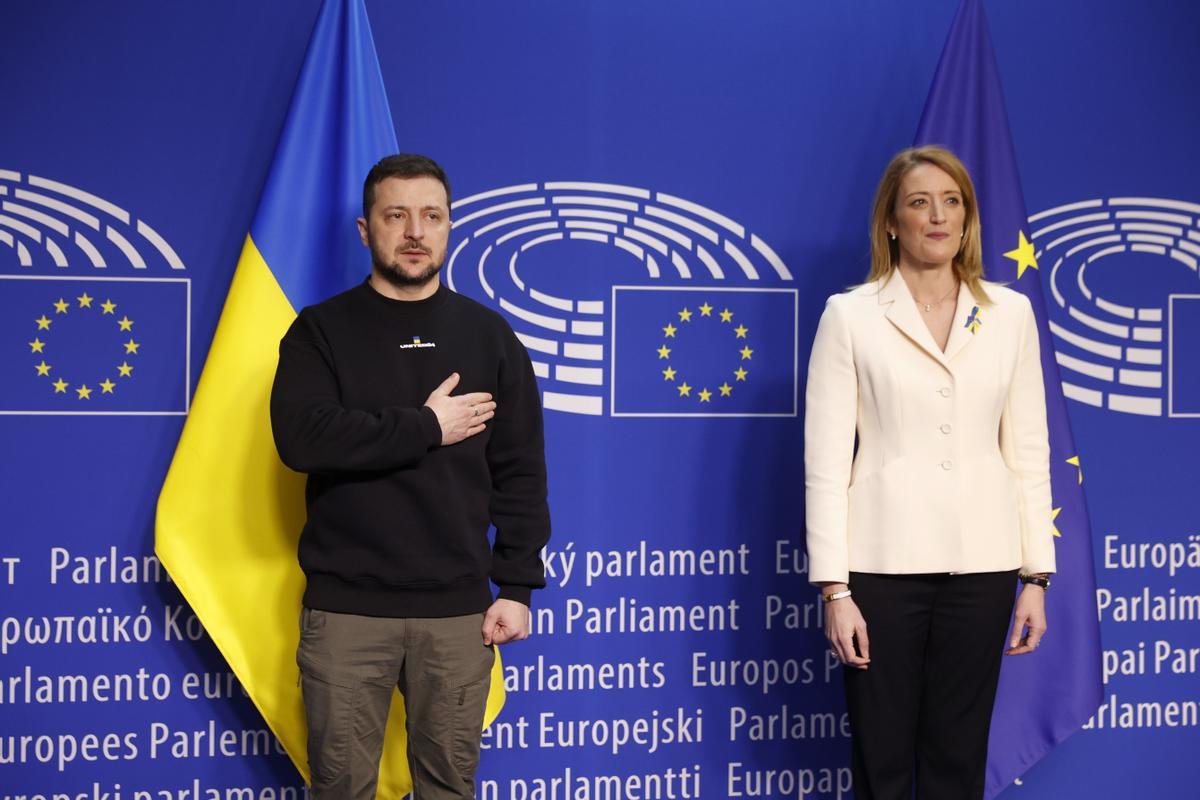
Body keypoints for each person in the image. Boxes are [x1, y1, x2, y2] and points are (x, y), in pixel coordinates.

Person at [270, 153, 551, 799]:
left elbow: (521, 470)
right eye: (396, 216)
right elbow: (302, 438)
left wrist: (516, 584)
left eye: (432, 216)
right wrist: (426, 426)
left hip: (458, 612)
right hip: (346, 611)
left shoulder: (490, 337)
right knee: (340, 789)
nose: (415, 232)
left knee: (448, 788)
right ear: (367, 230)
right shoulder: (321, 330)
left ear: (450, 227)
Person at [804, 145, 1055, 800]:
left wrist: (1036, 577)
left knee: (957, 763)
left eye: (953, 202)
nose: (937, 216)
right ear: (891, 222)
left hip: (985, 569)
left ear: (968, 220)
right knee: (881, 762)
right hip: (880, 571)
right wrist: (835, 589)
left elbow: (1028, 448)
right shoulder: (850, 315)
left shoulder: (1010, 314)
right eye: (919, 202)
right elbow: (826, 461)